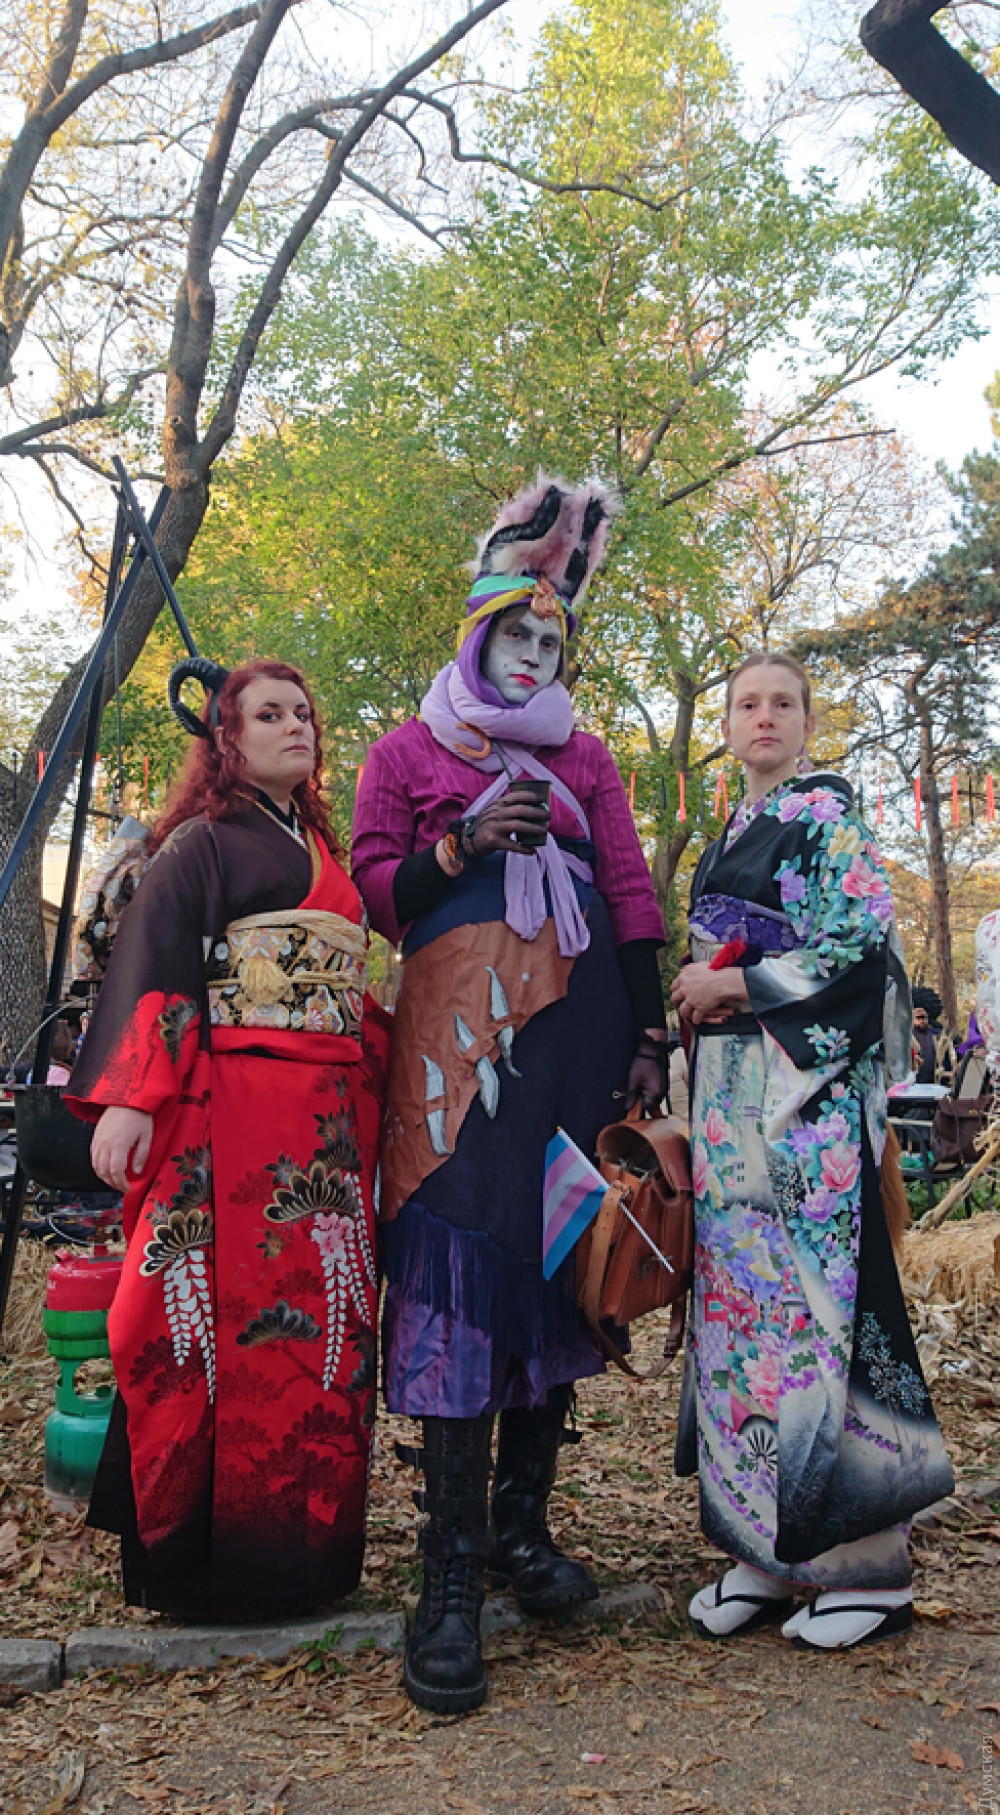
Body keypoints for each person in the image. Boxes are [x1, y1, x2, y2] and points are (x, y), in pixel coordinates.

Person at [352, 475, 667, 1712]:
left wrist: (648, 1034)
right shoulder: (405, 752)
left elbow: (629, 893)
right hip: (456, 1057)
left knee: (555, 1264)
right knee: (460, 1265)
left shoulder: (588, 757)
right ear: (477, 636)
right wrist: (463, 844)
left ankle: (522, 1530)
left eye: (552, 640)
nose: (535, 655)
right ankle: (449, 1573)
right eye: (516, 635)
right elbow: (378, 894)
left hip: (576, 1045)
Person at [67, 658, 387, 1622]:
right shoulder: (203, 844)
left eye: (304, 713)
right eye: (270, 714)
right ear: (229, 740)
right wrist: (132, 1098)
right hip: (233, 1113)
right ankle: (209, 1564)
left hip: (324, 1125)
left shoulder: (319, 848)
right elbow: (157, 954)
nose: (296, 726)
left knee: (323, 1334)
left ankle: (304, 1556)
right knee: (202, 1322)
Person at [671, 651, 953, 1651]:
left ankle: (868, 1570)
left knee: (818, 1325)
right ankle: (766, 1551)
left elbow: (862, 954)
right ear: (727, 725)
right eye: (746, 703)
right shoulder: (729, 832)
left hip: (807, 1115)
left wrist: (739, 986)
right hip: (730, 1117)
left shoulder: (829, 820)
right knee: (739, 1327)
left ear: (806, 722)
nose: (764, 717)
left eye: (782, 703)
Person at [911, 1003, 937, 1084]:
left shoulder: (934, 1035)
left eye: (924, 1018)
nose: (922, 1021)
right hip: (914, 1080)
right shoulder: (908, 1036)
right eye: (918, 1018)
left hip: (933, 1081)